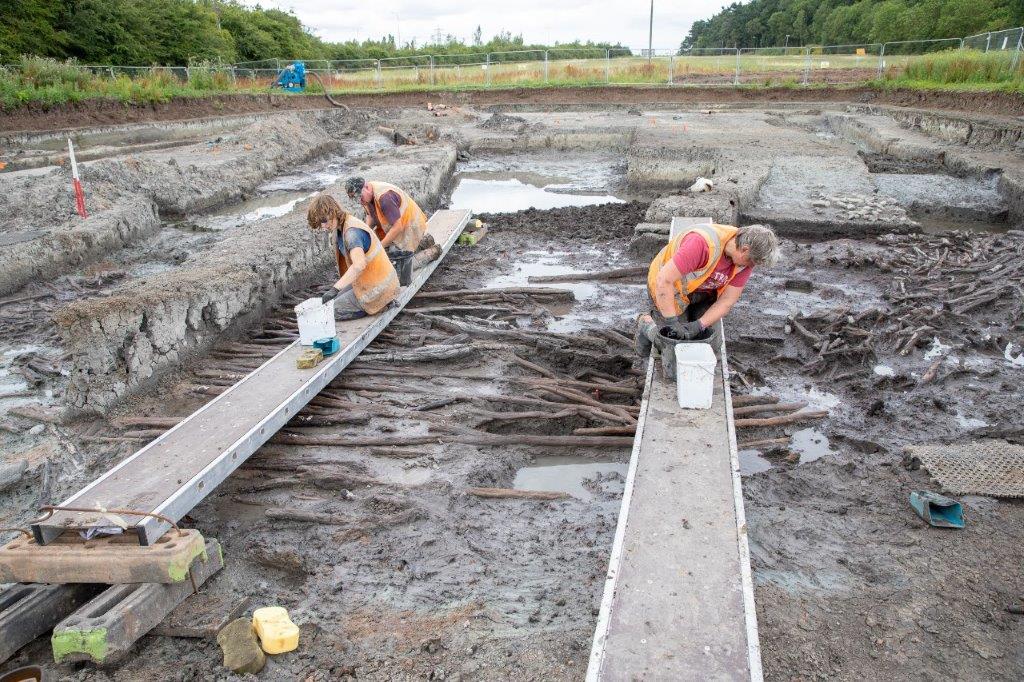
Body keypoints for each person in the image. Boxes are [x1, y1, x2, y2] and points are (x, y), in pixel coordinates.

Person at [637, 223, 779, 354]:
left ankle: (689, 317)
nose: (750, 266)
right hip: (669, 289)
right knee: (672, 343)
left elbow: (727, 301)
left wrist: (699, 325)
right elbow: (664, 280)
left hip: (703, 293)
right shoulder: (701, 245)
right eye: (751, 261)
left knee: (711, 344)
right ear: (744, 249)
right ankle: (646, 325)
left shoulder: (744, 262)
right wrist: (671, 322)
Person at [307, 193, 399, 318]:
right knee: (332, 301)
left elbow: (359, 265)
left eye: (324, 221)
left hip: (379, 286)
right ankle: (382, 301)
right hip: (370, 279)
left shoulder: (352, 234)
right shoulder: (342, 226)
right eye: (320, 224)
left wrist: (335, 288)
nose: (323, 227)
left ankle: (381, 304)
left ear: (333, 211)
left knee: (329, 311)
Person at [344, 177, 432, 253]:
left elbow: (398, 227)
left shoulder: (385, 198)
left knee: (398, 257)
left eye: (360, 197)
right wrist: (366, 231)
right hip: (392, 225)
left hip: (410, 227)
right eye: (356, 198)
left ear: (366, 187)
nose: (359, 201)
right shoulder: (367, 195)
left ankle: (423, 244)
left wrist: (380, 247)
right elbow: (370, 215)